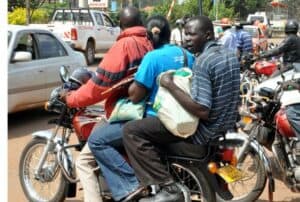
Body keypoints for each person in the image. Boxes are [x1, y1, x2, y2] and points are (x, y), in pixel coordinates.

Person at [123, 15, 240, 202]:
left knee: (131, 131)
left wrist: (170, 85)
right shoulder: (229, 56)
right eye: (185, 34)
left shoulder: (204, 62)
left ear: (208, 35)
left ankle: (167, 186)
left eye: (191, 35)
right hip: (225, 129)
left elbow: (202, 110)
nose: (186, 39)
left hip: (203, 132)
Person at [88, 15, 194, 202]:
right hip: (185, 116)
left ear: (150, 36)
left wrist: (129, 86)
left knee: (97, 140)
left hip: (156, 118)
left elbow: (136, 95)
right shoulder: (188, 56)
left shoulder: (152, 58)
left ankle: (128, 187)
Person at [62, 6, 153, 202]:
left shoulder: (124, 45)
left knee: (85, 160)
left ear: (120, 25)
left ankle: (127, 187)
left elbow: (98, 86)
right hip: (144, 109)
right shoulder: (148, 43)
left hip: (125, 112)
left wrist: (71, 98)